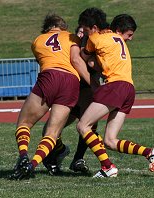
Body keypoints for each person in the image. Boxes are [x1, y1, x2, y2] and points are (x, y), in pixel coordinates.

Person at [9, 12, 92, 180]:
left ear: (47, 28)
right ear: (62, 27)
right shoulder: (72, 37)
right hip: (71, 81)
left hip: (49, 77)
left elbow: (43, 61)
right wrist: (93, 84)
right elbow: (76, 60)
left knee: (24, 123)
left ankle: (23, 156)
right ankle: (32, 165)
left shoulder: (37, 41)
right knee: (52, 132)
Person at [76, 8, 154, 178]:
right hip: (129, 88)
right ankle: (150, 153)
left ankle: (107, 167)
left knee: (83, 126)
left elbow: (85, 57)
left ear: (94, 27)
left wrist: (81, 46)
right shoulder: (118, 37)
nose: (85, 33)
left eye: (86, 29)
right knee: (110, 141)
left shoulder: (95, 38)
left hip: (115, 86)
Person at [42, 26, 100, 175]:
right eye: (79, 32)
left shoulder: (91, 48)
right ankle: (57, 153)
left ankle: (78, 159)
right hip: (69, 92)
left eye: (84, 32)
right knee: (50, 128)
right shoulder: (70, 46)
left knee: (89, 125)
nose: (81, 35)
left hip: (85, 92)